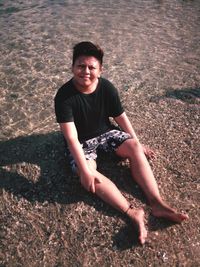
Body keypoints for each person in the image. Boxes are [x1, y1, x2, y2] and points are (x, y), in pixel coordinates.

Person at [54, 41, 188, 245]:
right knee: (88, 173)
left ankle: (157, 203)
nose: (86, 71)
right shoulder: (64, 97)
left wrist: (137, 143)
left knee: (134, 147)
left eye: (92, 67)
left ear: (100, 70)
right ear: (72, 67)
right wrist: (84, 170)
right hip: (82, 143)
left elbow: (121, 118)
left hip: (106, 134)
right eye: (81, 66)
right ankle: (131, 212)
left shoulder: (107, 87)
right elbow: (71, 138)